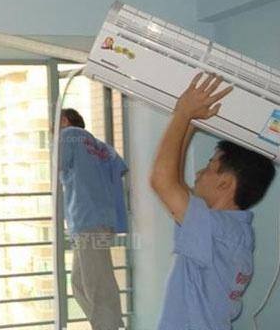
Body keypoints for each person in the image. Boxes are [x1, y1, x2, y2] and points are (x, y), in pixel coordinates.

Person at [150, 73, 275, 329]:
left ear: (225, 184)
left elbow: (162, 181)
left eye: (209, 166)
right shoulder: (232, 231)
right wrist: (190, 123)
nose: (198, 174)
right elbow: (174, 184)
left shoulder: (217, 230)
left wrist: (183, 114)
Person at [59, 108, 128, 330]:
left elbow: (57, 165)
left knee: (96, 284)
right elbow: (119, 167)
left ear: (64, 120)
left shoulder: (69, 134)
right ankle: (109, 323)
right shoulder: (99, 145)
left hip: (86, 217)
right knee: (80, 283)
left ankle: (108, 326)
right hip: (100, 218)